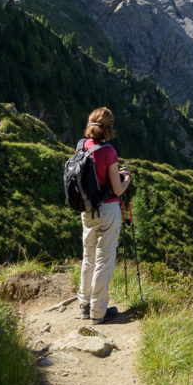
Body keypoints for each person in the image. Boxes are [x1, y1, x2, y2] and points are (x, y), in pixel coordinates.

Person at [76, 106, 131, 324]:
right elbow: (117, 189)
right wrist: (126, 178)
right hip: (107, 210)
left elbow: (93, 174)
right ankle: (98, 312)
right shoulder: (109, 152)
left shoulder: (82, 145)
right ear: (108, 128)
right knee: (104, 259)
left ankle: (84, 305)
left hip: (87, 209)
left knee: (88, 257)